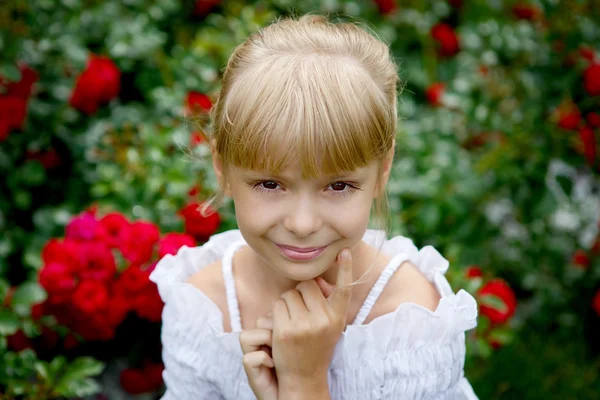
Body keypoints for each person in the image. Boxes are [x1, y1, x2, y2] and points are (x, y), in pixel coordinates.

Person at [150, 14, 479, 400]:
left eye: (338, 185)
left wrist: (304, 384)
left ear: (383, 169)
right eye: (270, 184)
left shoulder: (408, 325)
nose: (303, 224)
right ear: (222, 168)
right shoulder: (203, 310)